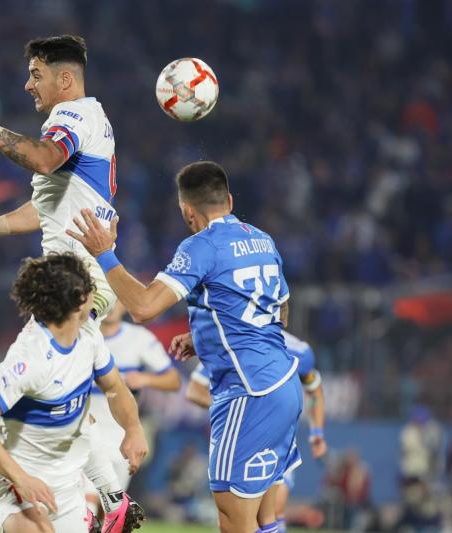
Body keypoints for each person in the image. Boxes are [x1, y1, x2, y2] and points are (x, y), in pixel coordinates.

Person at [68, 160, 303, 533]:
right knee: (264, 517)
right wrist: (207, 334)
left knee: (233, 518)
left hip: (248, 391)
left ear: (187, 211)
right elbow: (280, 310)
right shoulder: (262, 239)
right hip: (284, 384)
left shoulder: (202, 246)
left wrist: (104, 253)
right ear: (228, 198)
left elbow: (143, 307)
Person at [0, 253, 148, 533]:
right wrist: (20, 477)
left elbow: (116, 388)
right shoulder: (32, 358)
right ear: (81, 298)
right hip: (13, 480)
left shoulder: (89, 337)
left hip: (64, 482)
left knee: (81, 413)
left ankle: (113, 498)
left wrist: (133, 428)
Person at [0, 34, 118, 321]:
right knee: (79, 363)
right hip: (81, 279)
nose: (28, 85)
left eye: (36, 76)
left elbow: (44, 159)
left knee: (28, 363)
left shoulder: (73, 114)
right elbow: (47, 208)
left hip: (74, 282)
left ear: (65, 80)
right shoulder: (93, 116)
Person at [187, 329, 327, 533]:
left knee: (270, 511)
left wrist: (317, 433)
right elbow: (195, 390)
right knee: (240, 518)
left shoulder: (300, 350)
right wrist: (238, 410)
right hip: (242, 436)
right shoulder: (233, 340)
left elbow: (314, 389)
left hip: (279, 441)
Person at [85, 300, 181, 515]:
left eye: (117, 299)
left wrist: (145, 379)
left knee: (109, 509)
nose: (111, 306)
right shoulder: (83, 336)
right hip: (86, 429)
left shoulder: (139, 339)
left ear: (123, 305)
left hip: (121, 435)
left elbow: (173, 380)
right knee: (86, 498)